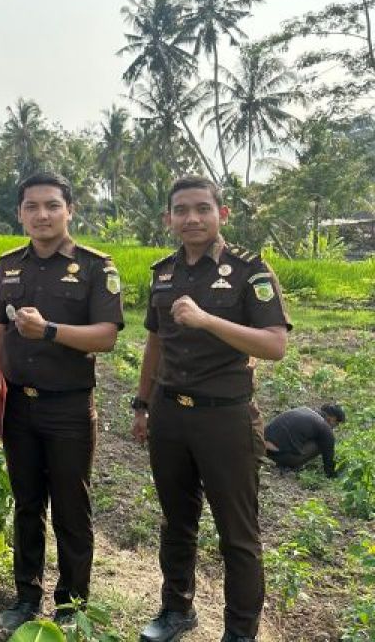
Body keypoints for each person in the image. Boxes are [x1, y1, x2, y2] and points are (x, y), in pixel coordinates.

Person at [131, 176, 291, 642]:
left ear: (222, 214)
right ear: (168, 219)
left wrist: (205, 319)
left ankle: (240, 632)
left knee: (237, 533)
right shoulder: (163, 272)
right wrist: (143, 405)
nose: (192, 218)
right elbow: (154, 344)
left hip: (226, 417)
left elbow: (275, 344)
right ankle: (176, 611)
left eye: (202, 208)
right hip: (170, 415)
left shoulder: (249, 270)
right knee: (175, 521)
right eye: (181, 210)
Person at [0, 173, 124, 631]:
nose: (41, 215)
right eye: (31, 207)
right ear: (20, 213)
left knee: (70, 507)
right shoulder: (7, 265)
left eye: (51, 206)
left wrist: (48, 331)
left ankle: (71, 605)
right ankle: (26, 595)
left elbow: (105, 337)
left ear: (70, 210)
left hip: (69, 408)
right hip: (19, 406)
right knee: (26, 505)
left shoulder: (95, 266)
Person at [264, 404, 345, 478]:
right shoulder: (324, 427)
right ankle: (288, 464)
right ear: (332, 418)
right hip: (280, 456)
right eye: (336, 424)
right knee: (324, 442)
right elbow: (328, 461)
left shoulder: (304, 409)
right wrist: (332, 475)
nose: (335, 427)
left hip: (263, 448)